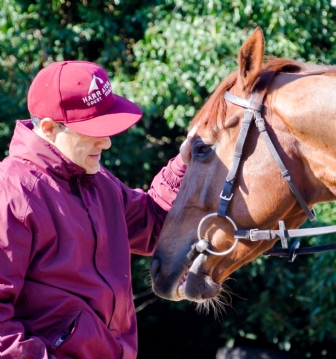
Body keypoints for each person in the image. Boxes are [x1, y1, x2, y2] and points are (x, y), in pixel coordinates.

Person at [0, 61, 193, 359]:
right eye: (94, 130)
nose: (107, 141)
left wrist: (186, 164)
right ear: (49, 128)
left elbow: (153, 225)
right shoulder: (12, 192)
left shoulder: (95, 179)